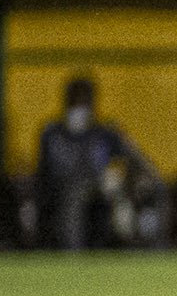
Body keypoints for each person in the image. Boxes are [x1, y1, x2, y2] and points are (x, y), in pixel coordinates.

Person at [37, 76, 159, 251]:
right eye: (75, 100)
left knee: (137, 191)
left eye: (84, 101)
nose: (79, 107)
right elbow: (44, 171)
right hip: (67, 185)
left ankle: (135, 246)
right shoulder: (54, 133)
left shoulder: (103, 132)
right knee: (74, 196)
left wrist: (141, 173)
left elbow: (136, 159)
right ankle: (72, 253)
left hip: (101, 182)